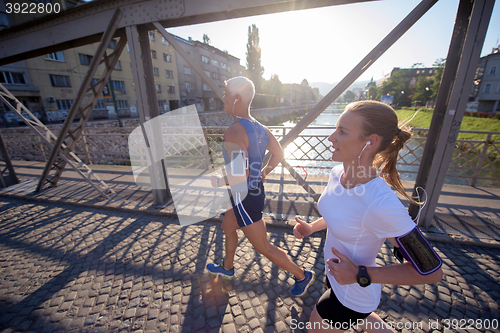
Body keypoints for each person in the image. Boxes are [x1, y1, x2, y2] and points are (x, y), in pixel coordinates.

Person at [293, 101, 443, 332]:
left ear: (370, 141)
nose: (331, 138)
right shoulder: (337, 173)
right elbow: (342, 216)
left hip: (355, 293)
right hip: (337, 278)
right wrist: (312, 227)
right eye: (335, 128)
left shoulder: (380, 202)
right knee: (367, 322)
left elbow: (431, 271)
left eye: (342, 132)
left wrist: (360, 274)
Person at [207, 76, 315, 297]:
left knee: (263, 246)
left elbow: (240, 174)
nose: (223, 97)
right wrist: (263, 173)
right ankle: (227, 268)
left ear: (237, 98)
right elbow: (279, 154)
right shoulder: (261, 128)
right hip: (251, 192)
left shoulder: (234, 131)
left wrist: (218, 181)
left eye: (226, 94)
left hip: (244, 197)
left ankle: (302, 275)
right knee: (228, 226)